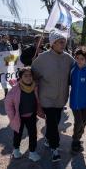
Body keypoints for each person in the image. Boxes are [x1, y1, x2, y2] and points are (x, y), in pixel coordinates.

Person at [31, 30, 75, 162]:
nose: (63, 44)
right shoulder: (42, 58)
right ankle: (54, 149)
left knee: (55, 122)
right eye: (60, 42)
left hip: (61, 98)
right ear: (53, 43)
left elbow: (77, 71)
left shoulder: (68, 58)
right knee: (52, 123)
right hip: (47, 98)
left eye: (64, 42)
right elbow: (32, 74)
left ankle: (49, 138)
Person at [4, 67, 45, 162]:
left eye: (30, 75)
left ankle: (32, 152)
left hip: (31, 115)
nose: (28, 77)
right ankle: (16, 150)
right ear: (20, 77)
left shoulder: (35, 86)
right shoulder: (15, 89)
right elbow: (8, 104)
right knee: (18, 134)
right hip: (19, 117)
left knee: (33, 134)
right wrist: (12, 117)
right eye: (25, 76)